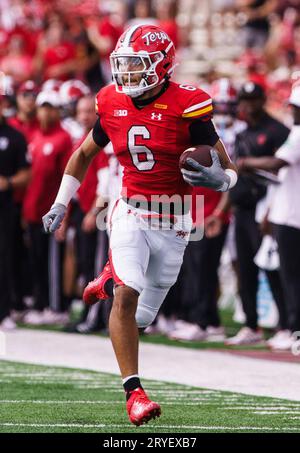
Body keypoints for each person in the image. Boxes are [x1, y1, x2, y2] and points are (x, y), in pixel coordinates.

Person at [42, 25, 237, 426]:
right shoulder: (110, 99)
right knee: (126, 298)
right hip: (129, 209)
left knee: (141, 318)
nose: (128, 74)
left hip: (175, 219)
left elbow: (226, 165)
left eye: (138, 65)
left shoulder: (189, 103)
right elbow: (82, 155)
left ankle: (108, 276)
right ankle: (134, 393)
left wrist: (221, 180)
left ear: (162, 66)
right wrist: (61, 202)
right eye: (124, 65)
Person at [237, 82, 300, 350]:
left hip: (292, 215)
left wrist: (246, 163)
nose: (291, 111)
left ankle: (294, 328)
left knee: (290, 276)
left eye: (294, 106)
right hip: (286, 210)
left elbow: (278, 163)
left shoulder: (296, 133)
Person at [23, 90, 73, 326]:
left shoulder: (63, 138)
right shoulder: (34, 135)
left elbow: (69, 178)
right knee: (37, 260)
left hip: (50, 212)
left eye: (49, 107)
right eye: (42, 107)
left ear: (57, 110)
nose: (45, 112)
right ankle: (42, 303)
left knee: (53, 262)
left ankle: (56, 306)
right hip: (33, 210)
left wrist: (65, 215)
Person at [0, 93, 30, 330]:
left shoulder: (15, 137)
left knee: (5, 258)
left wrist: (8, 182)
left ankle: (5, 311)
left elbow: (26, 173)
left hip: (5, 207)